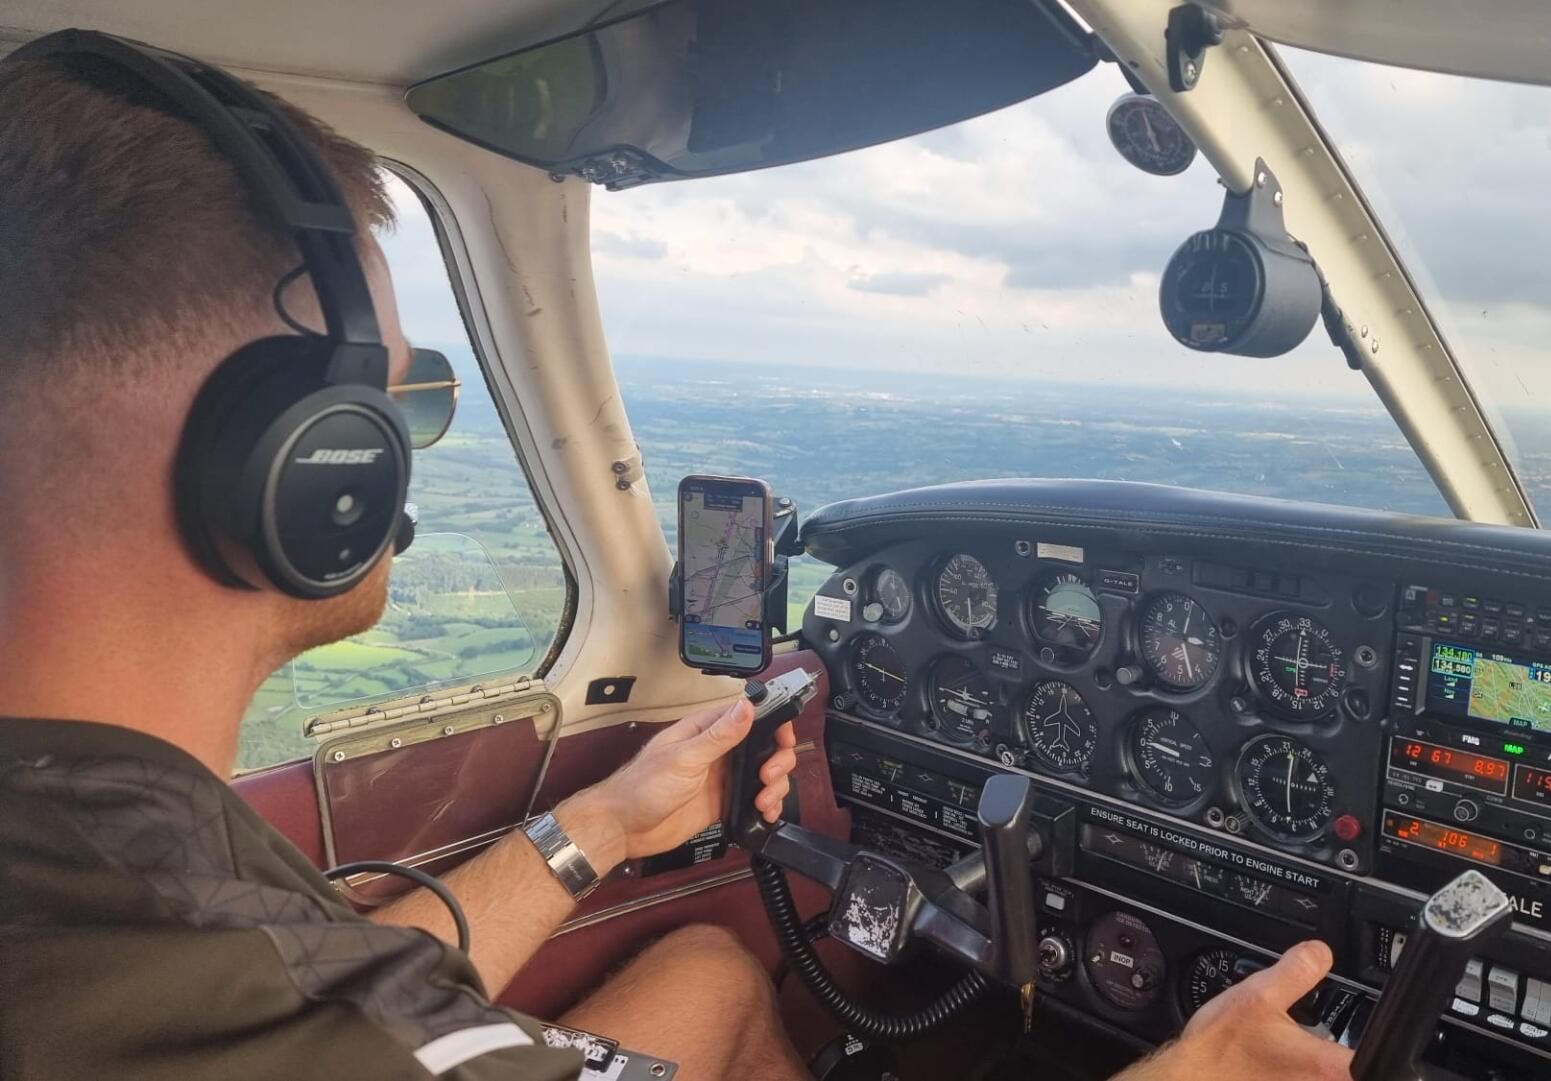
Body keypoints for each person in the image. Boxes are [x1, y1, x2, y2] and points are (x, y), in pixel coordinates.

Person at [0, 37, 1352, 1081]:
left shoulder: (110, 866)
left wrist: (611, 818)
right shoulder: (251, 990)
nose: (404, 446)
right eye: (399, 402)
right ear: (303, 466)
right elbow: (334, 1011)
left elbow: (334, 975)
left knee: (708, 973)